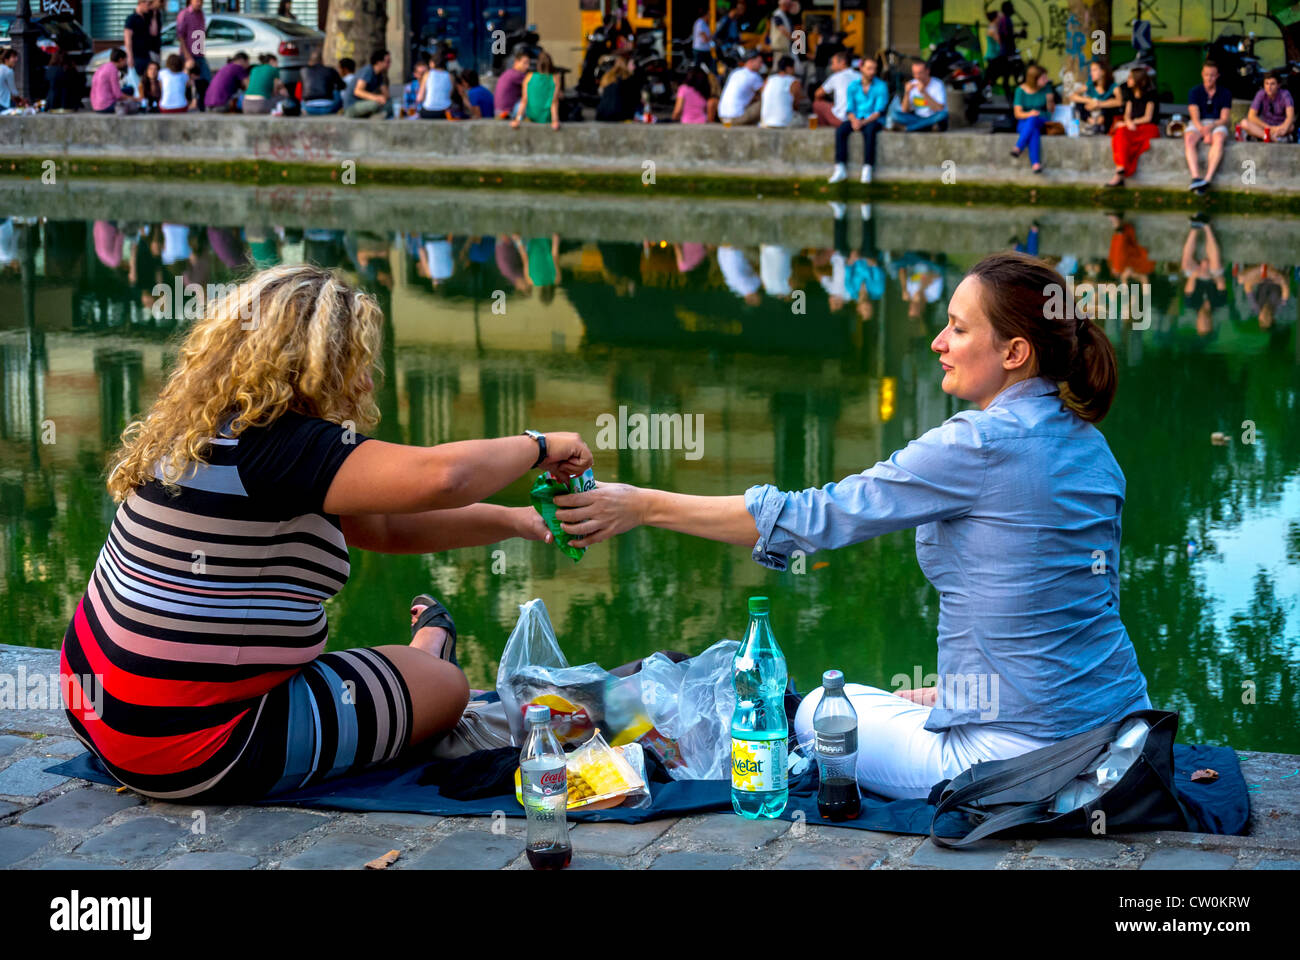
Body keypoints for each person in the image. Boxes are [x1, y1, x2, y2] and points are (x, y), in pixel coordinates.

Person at [552, 251, 1151, 801]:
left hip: (1019, 758)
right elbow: (1076, 605)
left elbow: (813, 519)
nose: (939, 342)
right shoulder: (1094, 448)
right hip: (1124, 728)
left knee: (816, 710)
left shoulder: (977, 443)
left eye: (960, 330)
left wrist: (643, 506)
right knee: (874, 696)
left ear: (1014, 352)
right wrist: (962, 694)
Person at [59, 263, 593, 803]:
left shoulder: (203, 430)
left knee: (404, 680)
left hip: (96, 707)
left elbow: (381, 525)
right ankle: (431, 650)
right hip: (190, 746)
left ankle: (426, 648)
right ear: (313, 366)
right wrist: (541, 445)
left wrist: (519, 522)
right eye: (355, 362)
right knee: (447, 690)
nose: (365, 381)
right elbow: (443, 477)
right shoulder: (280, 444)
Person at [828, 54, 888, 184]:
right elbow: (849, 109)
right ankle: (840, 167)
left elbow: (879, 111)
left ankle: (867, 168)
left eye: (874, 69)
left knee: (870, 131)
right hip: (857, 118)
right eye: (869, 68)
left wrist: (862, 122)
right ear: (861, 68)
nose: (872, 72)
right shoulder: (853, 86)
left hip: (873, 120)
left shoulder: (881, 86)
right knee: (841, 130)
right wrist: (854, 120)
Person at [1105, 65, 1158, 188]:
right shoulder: (1129, 94)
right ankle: (1120, 168)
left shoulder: (1151, 95)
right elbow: (1127, 115)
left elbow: (1148, 117)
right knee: (1120, 134)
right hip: (1132, 126)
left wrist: (1132, 122)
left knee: (1125, 135)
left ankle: (1120, 172)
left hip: (1146, 127)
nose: (1128, 80)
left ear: (1138, 80)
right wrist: (1127, 122)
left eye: (1130, 78)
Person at [1184, 59, 1232, 193]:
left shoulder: (1225, 93)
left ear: (1217, 76)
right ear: (1202, 74)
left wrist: (1210, 129)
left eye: (1212, 75)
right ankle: (1195, 177)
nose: (1209, 78)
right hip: (1199, 123)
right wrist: (1204, 132)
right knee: (1189, 139)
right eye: (1206, 74)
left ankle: (1208, 179)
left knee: (1219, 138)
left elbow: (1224, 118)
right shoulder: (1194, 91)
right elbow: (1194, 116)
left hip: (1216, 123)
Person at [1011, 63, 1053, 174]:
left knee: (1033, 120)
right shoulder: (1020, 91)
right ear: (1034, 79)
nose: (1046, 80)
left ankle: (1018, 147)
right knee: (1033, 130)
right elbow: (1017, 114)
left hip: (1042, 119)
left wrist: (1050, 101)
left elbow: (1051, 111)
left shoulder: (1047, 88)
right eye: (1043, 78)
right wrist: (1030, 113)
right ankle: (1035, 164)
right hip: (1025, 121)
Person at [887, 57, 947, 131]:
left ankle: (908, 128)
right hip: (917, 117)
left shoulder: (937, 84)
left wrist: (924, 93)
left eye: (920, 73)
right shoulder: (912, 83)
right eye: (914, 73)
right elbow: (905, 110)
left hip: (933, 117)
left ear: (927, 71)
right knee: (894, 115)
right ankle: (927, 127)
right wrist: (907, 93)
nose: (917, 76)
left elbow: (939, 109)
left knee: (943, 115)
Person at [511, 49, 559, 130]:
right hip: (547, 118)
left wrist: (517, 120)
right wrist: (555, 121)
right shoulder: (555, 78)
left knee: (519, 102)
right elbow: (554, 102)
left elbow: (524, 100)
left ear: (537, 64)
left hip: (532, 116)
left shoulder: (529, 77)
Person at [1241, 70, 1295, 142]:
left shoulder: (1285, 94)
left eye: (1272, 84)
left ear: (1278, 85)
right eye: (1267, 83)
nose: (1269, 87)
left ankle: (1267, 136)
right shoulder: (1260, 94)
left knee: (1291, 127)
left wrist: (1281, 128)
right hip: (1265, 126)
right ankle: (1270, 137)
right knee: (1244, 123)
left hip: (1280, 127)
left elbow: (1290, 116)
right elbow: (1251, 116)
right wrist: (1268, 127)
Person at [1069, 59, 1121, 135]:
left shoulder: (1113, 86)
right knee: (1079, 103)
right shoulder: (1090, 85)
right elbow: (1073, 96)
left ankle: (1101, 124)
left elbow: (1119, 102)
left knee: (1110, 100)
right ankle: (1092, 123)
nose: (1091, 73)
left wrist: (1099, 104)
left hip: (1105, 116)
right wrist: (1089, 100)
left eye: (1094, 70)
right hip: (1091, 112)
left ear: (1103, 72)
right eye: (1091, 71)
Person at [718, 48, 765, 125]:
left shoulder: (735, 72)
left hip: (723, 118)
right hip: (735, 118)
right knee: (766, 101)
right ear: (751, 61)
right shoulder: (754, 76)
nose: (761, 65)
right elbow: (766, 93)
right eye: (759, 62)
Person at [176, 0, 209, 107]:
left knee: (205, 79)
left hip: (199, 54)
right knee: (187, 81)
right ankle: (186, 103)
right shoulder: (184, 14)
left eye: (201, 1)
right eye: (197, 1)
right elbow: (180, 36)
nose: (199, 3)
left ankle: (202, 103)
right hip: (188, 54)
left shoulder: (201, 14)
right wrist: (187, 56)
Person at [812, 50, 854, 128]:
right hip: (858, 118)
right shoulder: (859, 76)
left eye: (833, 63)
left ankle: (824, 130)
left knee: (817, 104)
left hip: (842, 118)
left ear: (842, 62)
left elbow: (817, 94)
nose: (831, 66)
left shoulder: (836, 76)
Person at [759, 55, 802, 127]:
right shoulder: (794, 82)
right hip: (784, 122)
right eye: (793, 68)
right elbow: (796, 105)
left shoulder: (768, 80)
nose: (794, 71)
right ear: (788, 68)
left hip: (765, 122)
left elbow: (763, 98)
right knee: (803, 120)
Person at [347, 49, 391, 118]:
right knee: (375, 104)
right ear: (379, 62)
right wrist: (377, 98)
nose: (389, 65)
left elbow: (387, 95)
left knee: (392, 104)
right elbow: (358, 91)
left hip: (364, 104)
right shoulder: (368, 71)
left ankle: (375, 115)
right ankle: (375, 116)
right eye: (387, 62)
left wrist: (385, 98)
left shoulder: (379, 75)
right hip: (352, 106)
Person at [596, 56, 640, 122]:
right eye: (632, 64)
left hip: (602, 114)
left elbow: (600, 92)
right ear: (626, 64)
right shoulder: (628, 77)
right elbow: (634, 99)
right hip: (620, 115)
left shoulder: (607, 76)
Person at [301, 50, 345, 115]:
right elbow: (342, 86)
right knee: (336, 91)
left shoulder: (304, 70)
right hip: (329, 107)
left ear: (310, 61)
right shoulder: (330, 70)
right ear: (322, 60)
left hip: (308, 108)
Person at [123, 0, 153, 93]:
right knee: (137, 82)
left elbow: (153, 32)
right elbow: (127, 39)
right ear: (141, 3)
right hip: (136, 55)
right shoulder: (131, 19)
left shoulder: (147, 17)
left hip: (146, 54)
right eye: (148, 4)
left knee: (147, 81)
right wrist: (130, 56)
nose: (149, 7)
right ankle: (139, 101)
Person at [90, 49, 133, 113]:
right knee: (131, 97)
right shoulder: (113, 70)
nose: (125, 63)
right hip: (106, 106)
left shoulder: (103, 67)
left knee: (128, 89)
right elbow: (118, 95)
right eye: (125, 61)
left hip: (95, 106)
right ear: (120, 59)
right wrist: (136, 99)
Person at [44, 47, 84, 112]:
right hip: (68, 104)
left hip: (52, 103)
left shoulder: (49, 70)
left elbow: (46, 85)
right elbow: (79, 84)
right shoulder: (70, 70)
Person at [494, 49, 530, 119]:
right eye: (525, 63)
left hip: (497, 112)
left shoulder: (508, 73)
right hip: (507, 113)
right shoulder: (517, 75)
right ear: (516, 62)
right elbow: (533, 86)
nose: (527, 66)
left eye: (528, 63)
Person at [417, 49, 453, 119]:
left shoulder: (427, 74)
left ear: (432, 63)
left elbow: (420, 98)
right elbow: (449, 95)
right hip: (444, 111)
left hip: (427, 111)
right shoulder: (450, 76)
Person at [690, 4, 714, 73]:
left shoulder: (705, 24)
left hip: (705, 50)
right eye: (709, 14)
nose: (710, 16)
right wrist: (713, 37)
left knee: (709, 69)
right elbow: (705, 39)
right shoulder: (700, 23)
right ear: (705, 14)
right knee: (698, 70)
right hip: (700, 50)